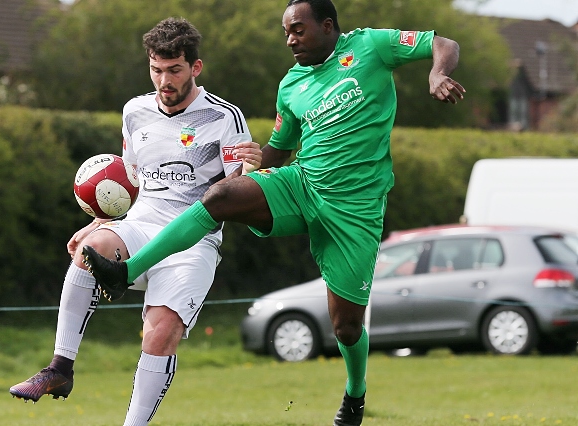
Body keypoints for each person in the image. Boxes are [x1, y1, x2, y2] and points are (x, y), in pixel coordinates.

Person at [82, 1, 465, 425]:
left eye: (298, 30)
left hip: (354, 211)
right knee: (219, 197)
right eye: (287, 31)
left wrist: (438, 73)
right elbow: (277, 155)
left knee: (346, 328)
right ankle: (125, 272)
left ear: (327, 25)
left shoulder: (372, 46)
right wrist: (252, 157)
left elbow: (443, 43)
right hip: (301, 185)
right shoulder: (291, 85)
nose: (290, 39)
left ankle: (355, 396)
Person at [9, 17, 261, 426]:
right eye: (156, 69)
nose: (165, 79)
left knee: (159, 336)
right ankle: (60, 368)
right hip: (140, 225)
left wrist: (251, 169)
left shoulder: (224, 118)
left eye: (175, 70)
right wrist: (95, 224)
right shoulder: (135, 111)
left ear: (195, 68)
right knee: (90, 252)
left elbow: (236, 191)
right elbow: (130, 184)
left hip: (193, 242)